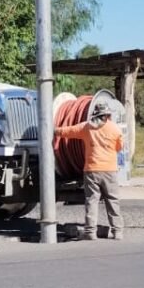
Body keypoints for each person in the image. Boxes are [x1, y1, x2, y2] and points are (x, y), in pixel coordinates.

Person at [55, 102, 125, 241]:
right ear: (108, 115)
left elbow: (68, 131)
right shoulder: (115, 129)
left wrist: (55, 130)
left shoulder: (87, 127)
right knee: (112, 200)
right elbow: (119, 147)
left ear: (96, 114)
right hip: (109, 170)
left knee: (91, 201)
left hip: (91, 170)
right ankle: (117, 232)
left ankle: (90, 232)